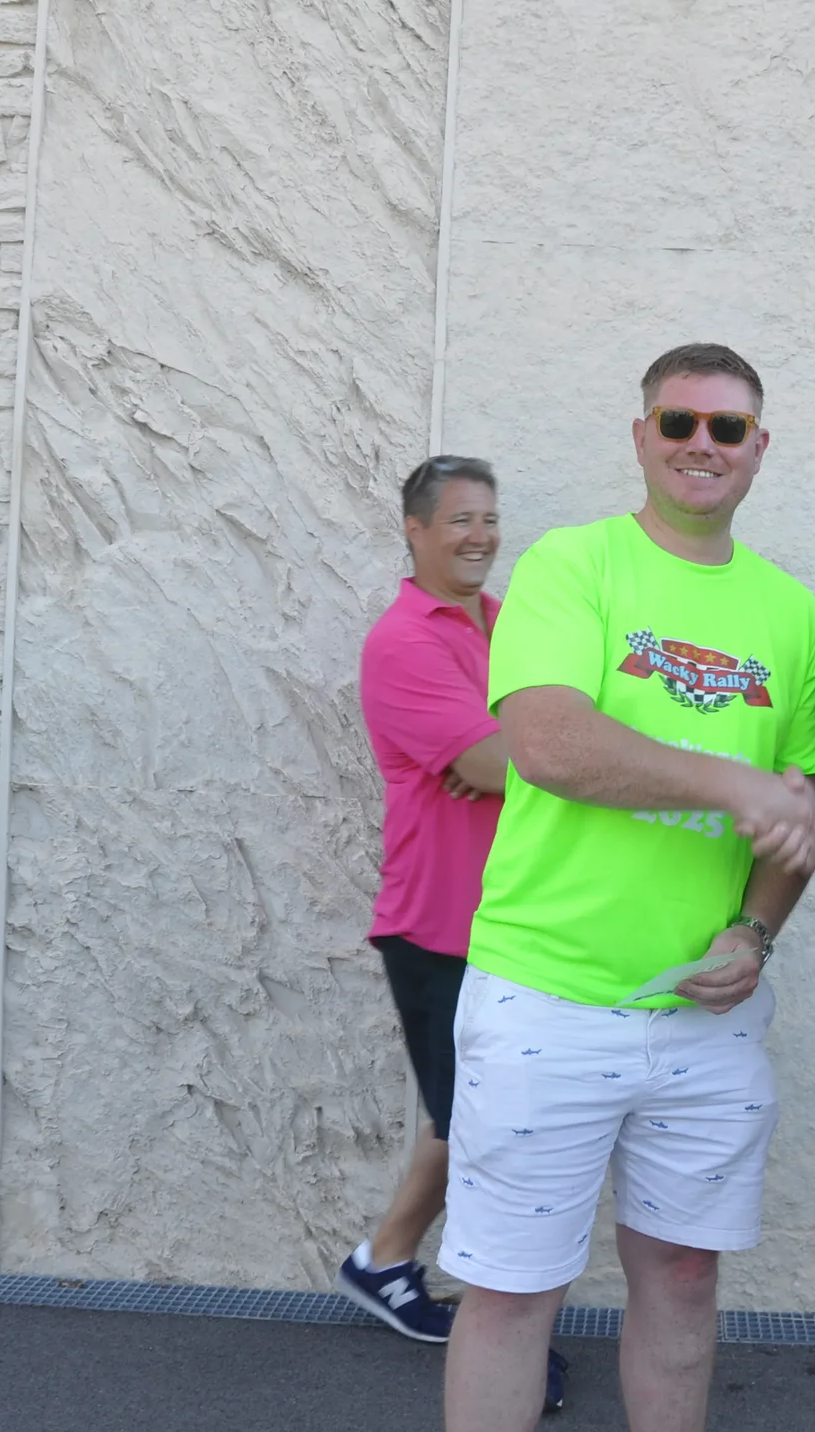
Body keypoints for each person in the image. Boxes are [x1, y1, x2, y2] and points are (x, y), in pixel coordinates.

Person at [440, 342, 815, 1432]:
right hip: (545, 994)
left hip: (705, 1016)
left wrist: (756, 927)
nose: (700, 445)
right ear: (640, 438)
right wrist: (736, 780)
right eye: (678, 423)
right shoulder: (575, 566)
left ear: (759, 448)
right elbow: (551, 744)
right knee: (515, 1292)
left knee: (684, 1280)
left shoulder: (793, 616)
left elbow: (794, 817)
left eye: (725, 427)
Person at [344, 457, 570, 1400]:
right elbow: (497, 761)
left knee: (468, 1112)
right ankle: (498, 1343)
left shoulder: (502, 619)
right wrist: (523, 750)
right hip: (439, 924)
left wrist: (530, 745)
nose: (479, 535)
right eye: (459, 521)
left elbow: (558, 726)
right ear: (414, 529)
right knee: (483, 1130)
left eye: (489, 517)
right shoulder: (404, 641)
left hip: (512, 914)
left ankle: (383, 1261)